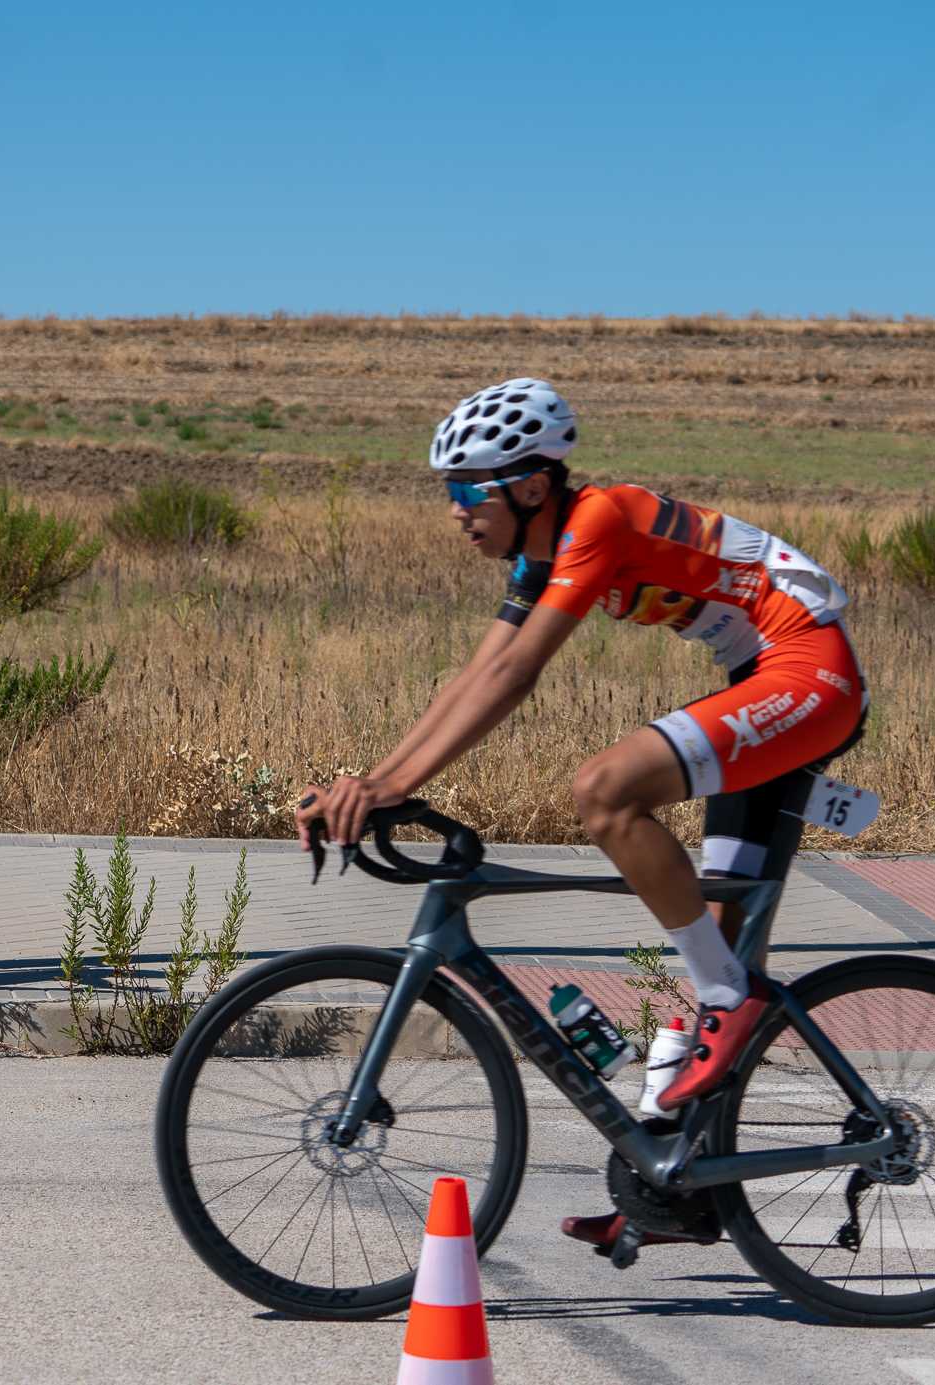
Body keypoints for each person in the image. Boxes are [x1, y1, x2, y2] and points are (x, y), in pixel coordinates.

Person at [294, 378, 867, 1246]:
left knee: (605, 791)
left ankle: (728, 1001)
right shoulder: (541, 549)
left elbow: (518, 678)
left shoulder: (595, 521)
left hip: (807, 670)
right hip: (761, 677)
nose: (455, 511)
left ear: (529, 485)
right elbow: (477, 674)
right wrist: (379, 780)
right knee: (715, 938)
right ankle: (676, 1189)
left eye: (466, 490)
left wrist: (380, 789)